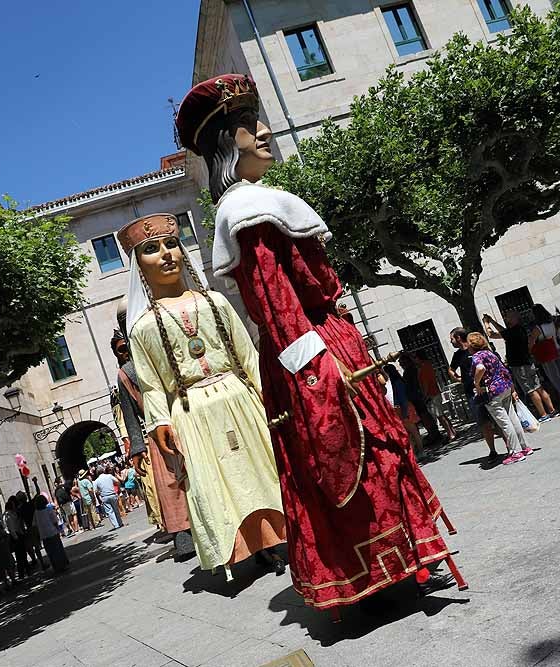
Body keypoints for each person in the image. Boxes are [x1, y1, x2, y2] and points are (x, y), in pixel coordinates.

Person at [177, 73, 463, 608]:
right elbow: (275, 302)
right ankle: (371, 575)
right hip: (312, 353)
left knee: (377, 451)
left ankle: (399, 563)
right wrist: (315, 374)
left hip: (327, 340)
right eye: (246, 127)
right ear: (224, 143)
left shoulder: (263, 201)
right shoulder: (246, 212)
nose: (263, 132)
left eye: (258, 121)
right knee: (346, 456)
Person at [120, 212, 288, 578]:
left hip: (240, 400)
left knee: (261, 470)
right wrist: (159, 422)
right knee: (214, 484)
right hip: (191, 412)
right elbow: (150, 384)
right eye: (151, 249)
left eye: (171, 244)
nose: (165, 254)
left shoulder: (216, 301)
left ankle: (279, 540)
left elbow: (247, 354)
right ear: (139, 266)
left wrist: (266, 394)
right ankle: (239, 549)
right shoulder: (142, 327)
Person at [112, 320, 192, 557]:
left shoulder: (155, 356)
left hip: (181, 420)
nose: (126, 352)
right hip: (156, 434)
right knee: (170, 487)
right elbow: (130, 416)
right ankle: (183, 538)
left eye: (127, 346)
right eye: (120, 350)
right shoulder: (124, 375)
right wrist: (137, 448)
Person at [469, 333, 533, 465]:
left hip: (492, 392)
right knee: (512, 417)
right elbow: (505, 370)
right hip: (505, 387)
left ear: (471, 345)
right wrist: (513, 388)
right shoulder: (490, 353)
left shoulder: (477, 356)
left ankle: (515, 452)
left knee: (504, 422)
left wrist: (476, 383)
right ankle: (525, 447)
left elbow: (480, 368)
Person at [484, 312, 557, 423]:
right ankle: (552, 410)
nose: (506, 318)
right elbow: (502, 332)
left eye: (508, 316)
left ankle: (543, 414)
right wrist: (492, 321)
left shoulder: (512, 331)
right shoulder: (519, 329)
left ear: (515, 318)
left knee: (531, 390)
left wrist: (486, 323)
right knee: (538, 387)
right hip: (527, 362)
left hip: (519, 365)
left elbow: (491, 334)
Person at [450, 328, 504, 458]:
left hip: (487, 389)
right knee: (483, 422)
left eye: (452, 338)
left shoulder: (475, 348)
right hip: (471, 392)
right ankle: (492, 450)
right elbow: (451, 370)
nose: (450, 341)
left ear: (458, 337)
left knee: (498, 419)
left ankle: (510, 445)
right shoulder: (457, 355)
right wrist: (459, 379)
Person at [528, 304, 560, 405]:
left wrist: (530, 352)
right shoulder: (552, 323)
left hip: (547, 353)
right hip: (557, 349)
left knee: (555, 377)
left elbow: (531, 342)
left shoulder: (538, 328)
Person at [399, 354, 441, 447]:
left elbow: (414, 384)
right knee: (424, 416)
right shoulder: (410, 370)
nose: (400, 364)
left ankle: (434, 434)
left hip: (417, 397)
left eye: (402, 362)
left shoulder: (410, 371)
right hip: (416, 397)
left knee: (425, 416)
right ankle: (433, 434)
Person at [383, 363, 425, 457]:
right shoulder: (397, 381)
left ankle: (421, 450)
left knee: (413, 432)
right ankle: (415, 452)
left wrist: (405, 413)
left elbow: (402, 398)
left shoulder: (397, 382)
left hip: (404, 408)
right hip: (403, 408)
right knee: (410, 432)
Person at [415, 351, 458, 440]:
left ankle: (450, 434)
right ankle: (452, 431)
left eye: (415, 358)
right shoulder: (428, 364)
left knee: (440, 416)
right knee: (441, 414)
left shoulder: (423, 367)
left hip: (431, 394)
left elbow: (426, 382)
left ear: (419, 358)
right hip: (435, 392)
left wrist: (425, 395)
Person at [33, 495, 69, 573]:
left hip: (44, 535)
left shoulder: (36, 513)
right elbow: (54, 521)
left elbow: (34, 525)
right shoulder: (48, 509)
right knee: (58, 549)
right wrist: (58, 529)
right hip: (52, 532)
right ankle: (63, 564)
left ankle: (56, 566)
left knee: (50, 552)